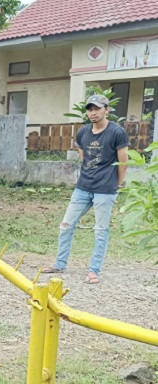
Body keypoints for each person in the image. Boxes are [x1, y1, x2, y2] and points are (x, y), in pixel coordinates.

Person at [43, 94, 129, 284]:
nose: (93, 113)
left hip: (105, 190)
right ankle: (59, 263)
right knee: (66, 225)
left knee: (100, 230)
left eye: (97, 108)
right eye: (90, 109)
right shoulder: (83, 133)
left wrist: (118, 184)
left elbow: (123, 162)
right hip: (83, 188)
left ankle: (93, 271)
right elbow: (84, 158)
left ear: (106, 109)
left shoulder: (117, 132)